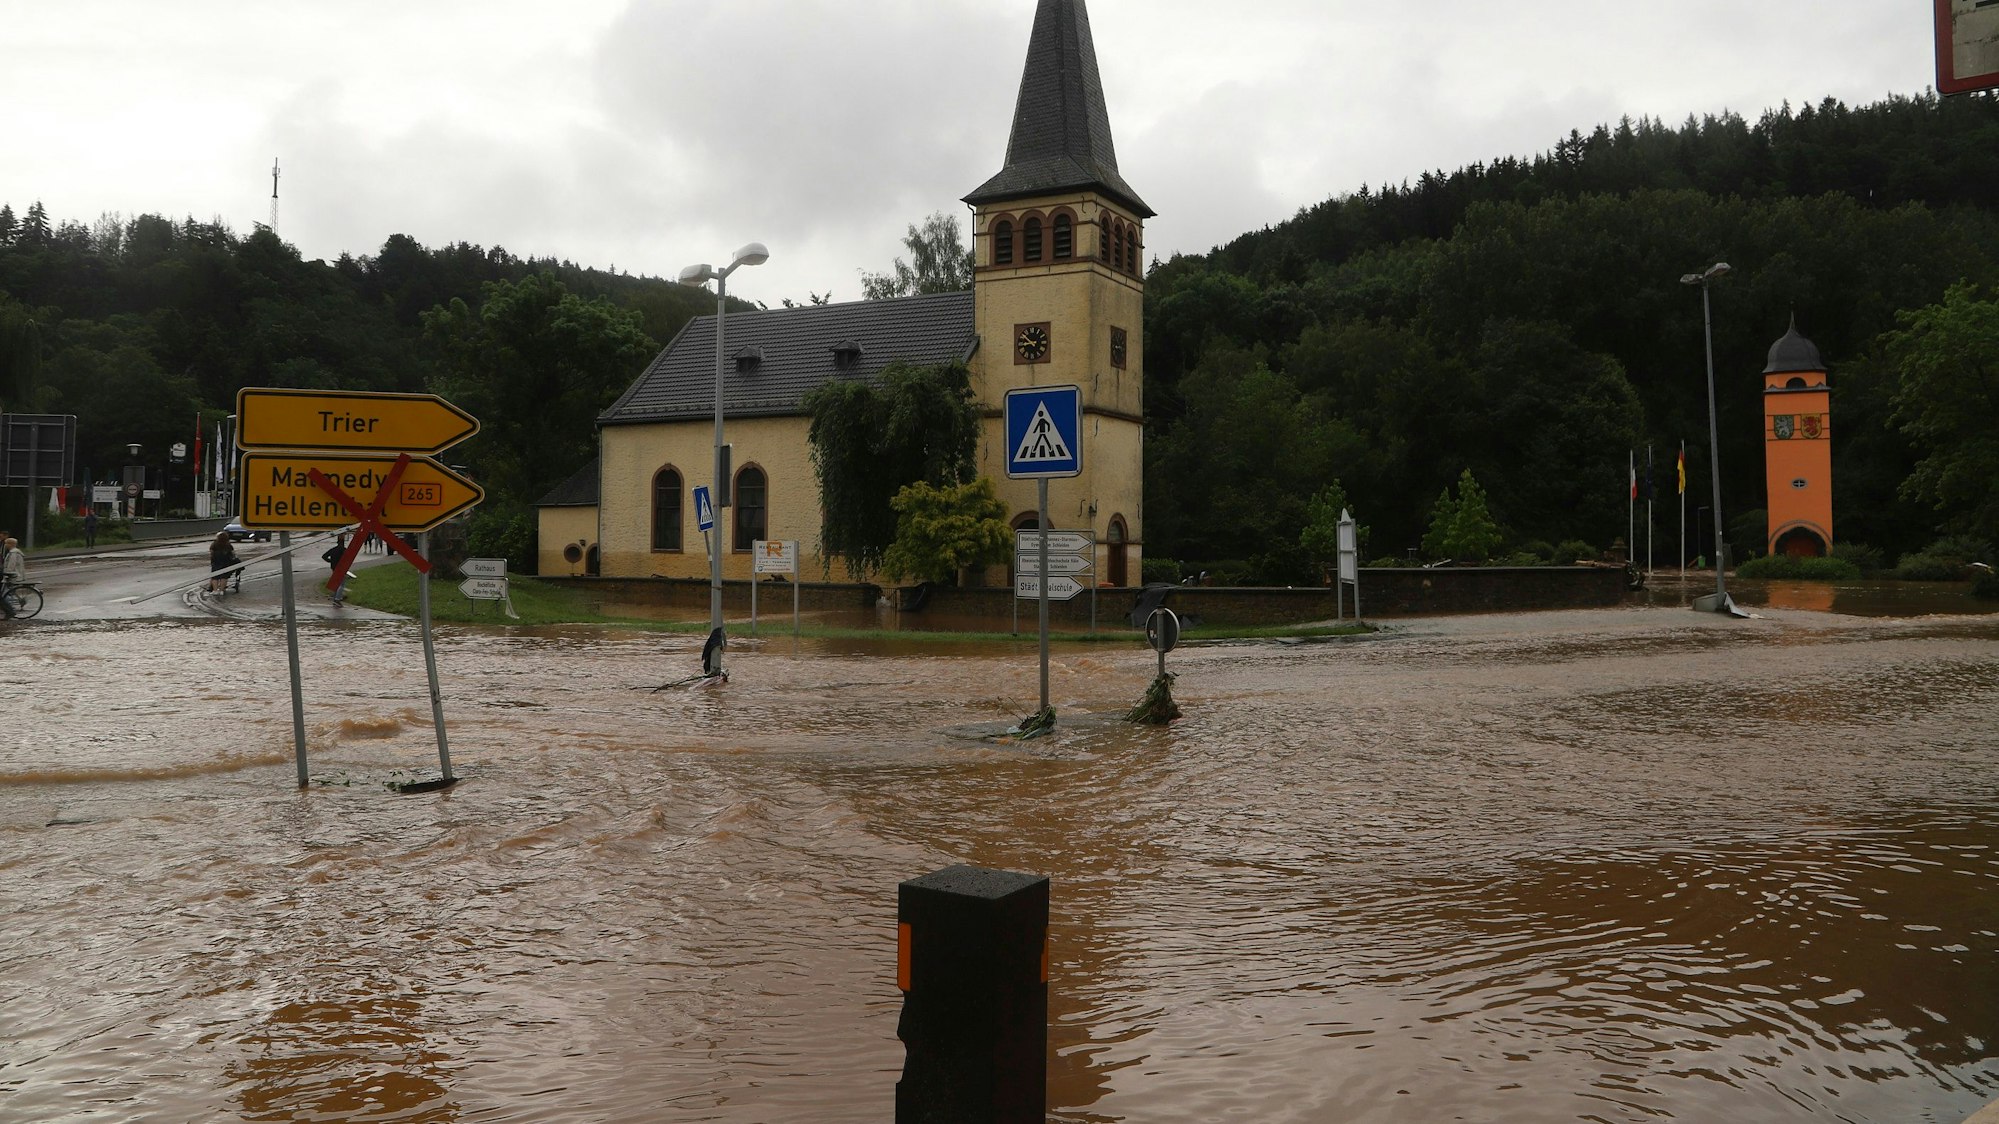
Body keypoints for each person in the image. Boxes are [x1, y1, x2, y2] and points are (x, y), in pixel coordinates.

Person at [322, 531, 350, 605]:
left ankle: (336, 597)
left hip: (333, 568)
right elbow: (347, 559)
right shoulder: (344, 550)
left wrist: (330, 561)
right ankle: (337, 599)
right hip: (341, 568)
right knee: (341, 584)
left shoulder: (333, 549)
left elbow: (324, 556)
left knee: (337, 583)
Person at [1, 534, 23, 619]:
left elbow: (11, 565)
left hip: (12, 575)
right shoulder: (13, 552)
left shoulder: (13, 553)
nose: (5, 545)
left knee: (4, 594)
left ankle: (10, 610)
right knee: (7, 592)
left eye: (7, 544)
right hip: (12, 575)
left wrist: (6, 574)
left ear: (11, 544)